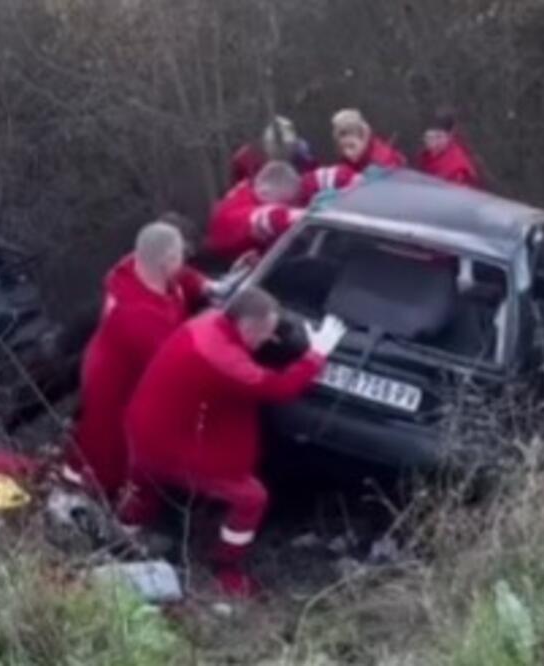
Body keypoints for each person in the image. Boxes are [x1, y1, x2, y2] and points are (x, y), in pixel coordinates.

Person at [120, 288, 347, 597]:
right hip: (167, 447)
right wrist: (315, 356)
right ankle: (224, 565)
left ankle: (127, 526)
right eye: (266, 333)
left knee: (142, 477)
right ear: (248, 326)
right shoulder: (225, 360)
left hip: (143, 425)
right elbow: (277, 388)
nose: (269, 341)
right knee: (251, 498)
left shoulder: (207, 322)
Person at [63, 222, 217, 501]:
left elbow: (183, 279)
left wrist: (207, 286)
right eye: (180, 255)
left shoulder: (138, 268)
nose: (184, 260)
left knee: (102, 432)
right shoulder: (141, 316)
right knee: (107, 442)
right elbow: (174, 366)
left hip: (114, 363)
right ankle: (90, 493)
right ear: (167, 261)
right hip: (118, 381)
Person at [206, 159, 357, 261]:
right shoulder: (235, 215)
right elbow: (270, 219)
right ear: (266, 194)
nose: (289, 205)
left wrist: (355, 181)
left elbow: (308, 183)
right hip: (223, 265)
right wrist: (309, 216)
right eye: (286, 203)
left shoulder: (258, 187)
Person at [230, 116, 319, 186]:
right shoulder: (249, 161)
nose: (281, 151)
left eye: (287, 145)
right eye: (274, 145)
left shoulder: (306, 163)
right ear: (266, 144)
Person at [416, 109, 482, 188]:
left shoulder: (458, 169)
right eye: (429, 138)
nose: (433, 143)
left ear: (449, 136)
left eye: (439, 137)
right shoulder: (425, 155)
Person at [331, 108, 407, 172]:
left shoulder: (383, 161)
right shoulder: (347, 161)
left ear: (364, 138)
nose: (347, 153)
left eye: (352, 146)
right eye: (342, 148)